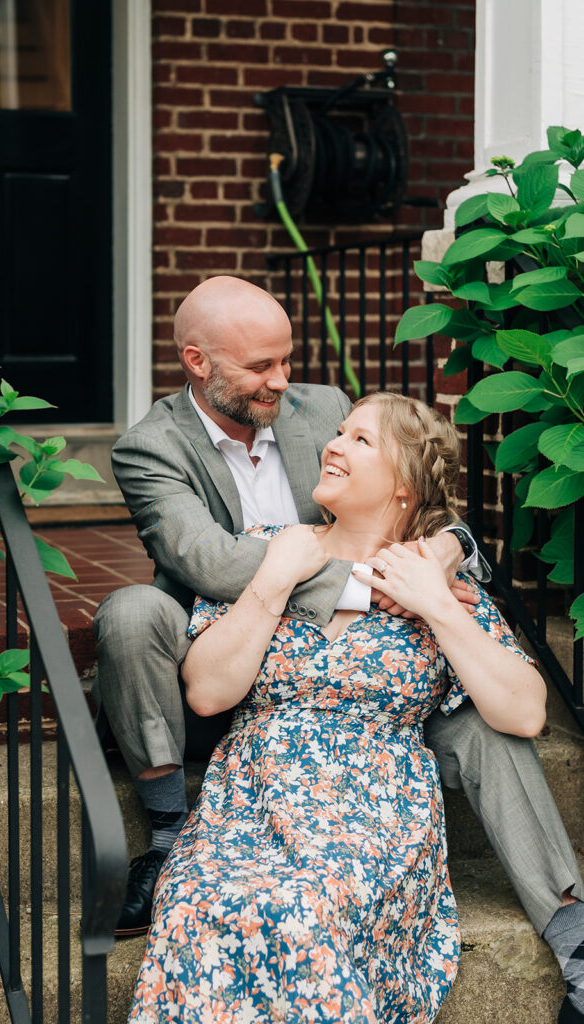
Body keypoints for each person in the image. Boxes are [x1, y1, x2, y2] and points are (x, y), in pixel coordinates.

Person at [94, 277, 584, 1022]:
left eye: (358, 438)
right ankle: (167, 830)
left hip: (378, 776)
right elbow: (210, 568)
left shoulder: (328, 423)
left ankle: (573, 929)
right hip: (253, 735)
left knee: (488, 735)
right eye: (262, 367)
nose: (287, 387)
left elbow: (441, 512)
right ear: (200, 362)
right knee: (130, 614)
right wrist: (315, 575)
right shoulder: (152, 450)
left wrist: (441, 561)